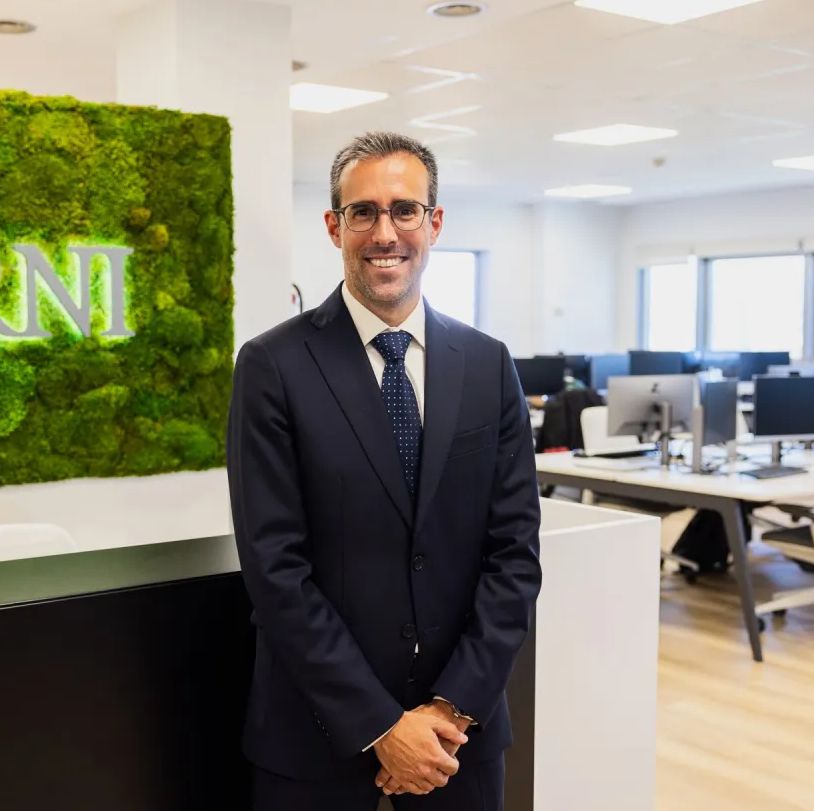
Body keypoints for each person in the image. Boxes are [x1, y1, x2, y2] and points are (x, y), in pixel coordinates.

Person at [226, 131, 542, 810]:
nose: (385, 233)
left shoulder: (487, 363)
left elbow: (514, 554)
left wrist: (450, 709)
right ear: (333, 226)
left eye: (404, 210)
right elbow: (275, 567)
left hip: (459, 738)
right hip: (314, 734)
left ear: (435, 222)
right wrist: (381, 725)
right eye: (363, 212)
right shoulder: (272, 366)